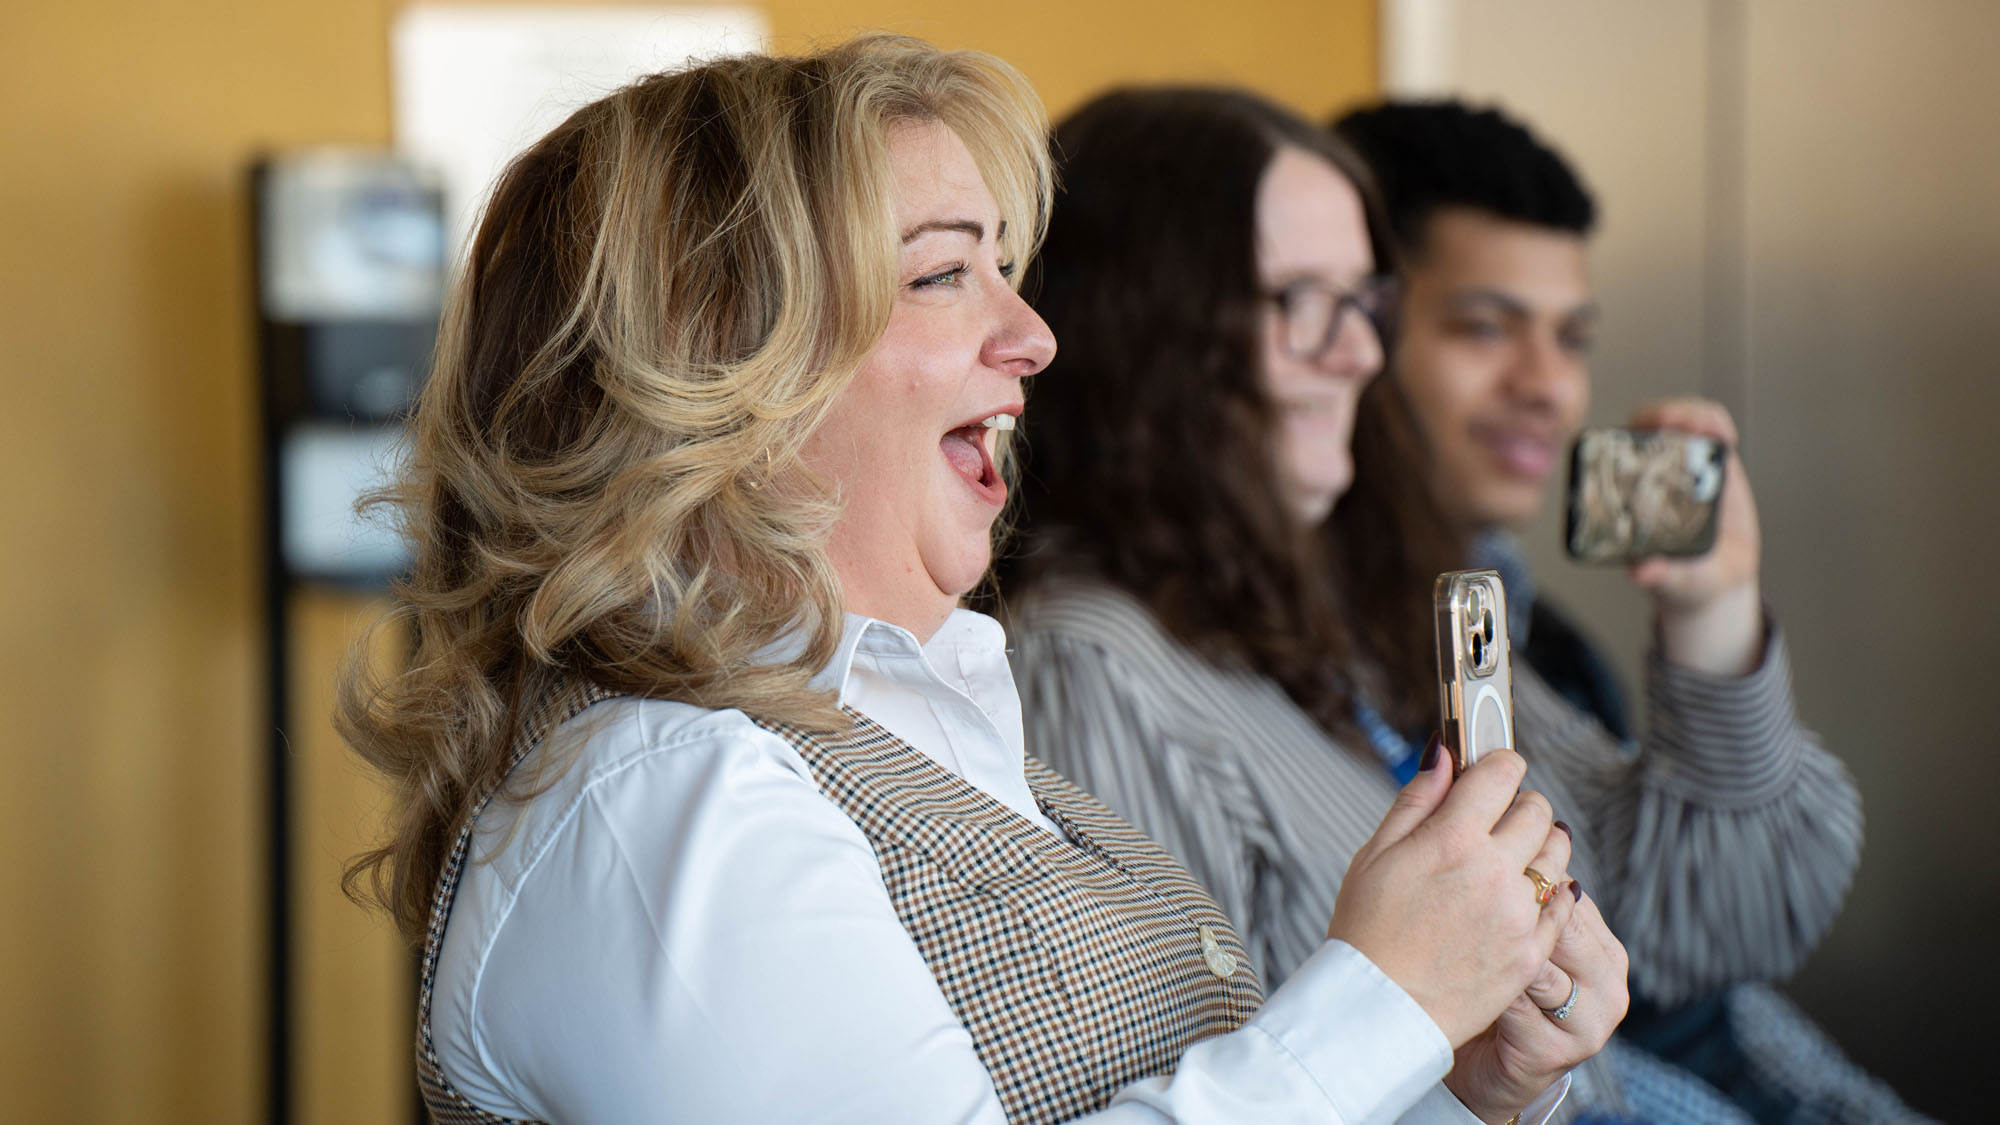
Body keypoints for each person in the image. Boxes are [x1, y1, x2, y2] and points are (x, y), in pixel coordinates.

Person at [335, 37, 1620, 1123]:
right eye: (946, 273)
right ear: (722, 358)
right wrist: (1377, 999)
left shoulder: (934, 725)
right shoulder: (651, 798)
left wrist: (1447, 1078)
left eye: (1006, 265)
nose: (1034, 334)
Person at [997, 86, 1860, 1123]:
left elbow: (1705, 922)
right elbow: (1230, 1086)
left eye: (1363, 305)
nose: (1362, 354)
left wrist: (1712, 615)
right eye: (1302, 302)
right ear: (1149, 326)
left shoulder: (1378, 599)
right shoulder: (1086, 664)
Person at [1332, 97, 1931, 1124]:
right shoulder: (1262, 648)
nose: (1546, 386)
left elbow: (1716, 939)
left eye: (1570, 338)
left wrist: (1712, 612)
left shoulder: (1540, 645)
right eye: (1483, 327)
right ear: (1355, 329)